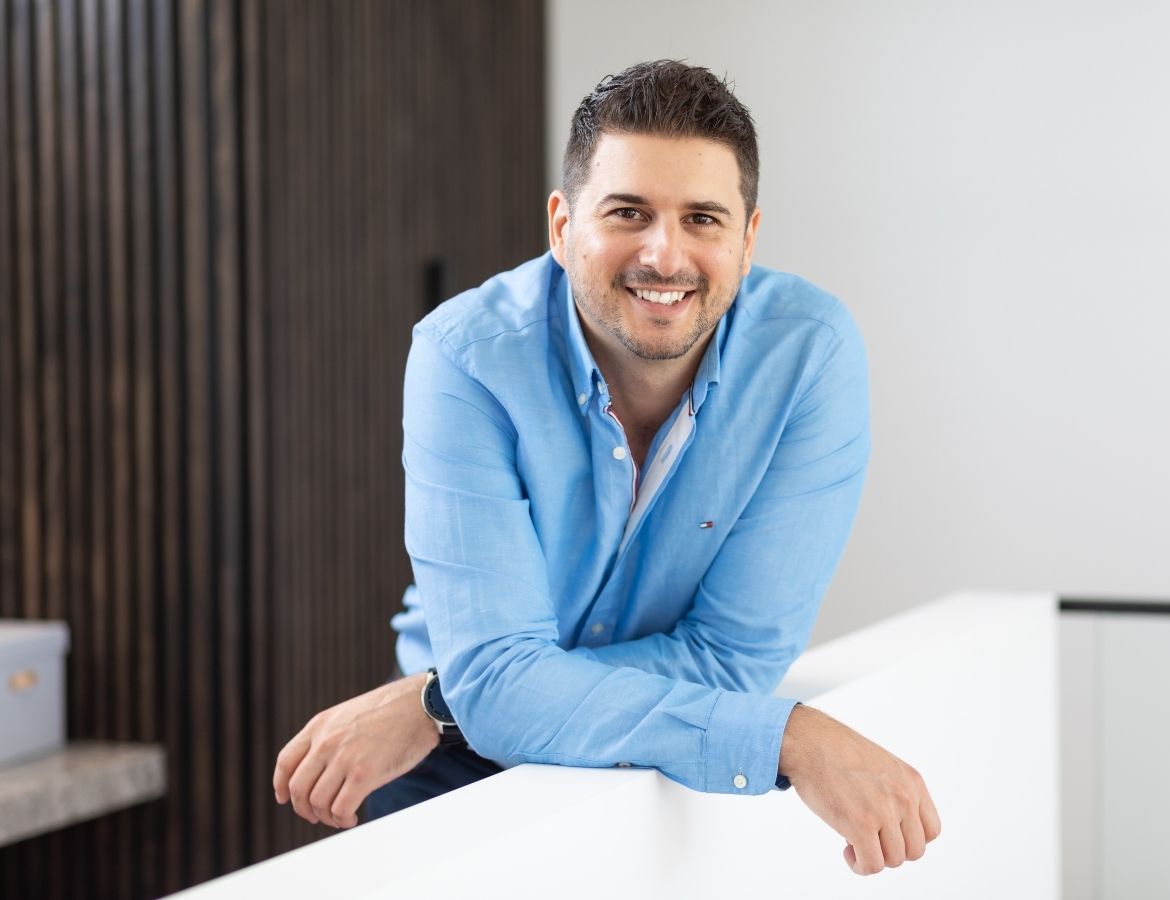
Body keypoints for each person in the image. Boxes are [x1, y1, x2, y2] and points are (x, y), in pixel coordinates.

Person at [273, 59, 940, 877]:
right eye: (629, 212)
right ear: (561, 226)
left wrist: (450, 700)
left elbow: (729, 661)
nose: (665, 255)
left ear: (748, 239)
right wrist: (788, 735)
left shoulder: (810, 356)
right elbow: (502, 681)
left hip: (518, 736)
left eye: (703, 218)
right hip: (443, 768)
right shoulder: (466, 357)